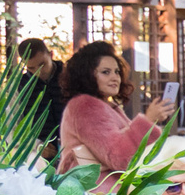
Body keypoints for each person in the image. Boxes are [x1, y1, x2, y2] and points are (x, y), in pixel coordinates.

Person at [59, 40, 174, 174]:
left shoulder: (106, 106)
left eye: (117, 72)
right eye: (106, 72)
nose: (115, 78)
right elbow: (120, 158)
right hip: (95, 191)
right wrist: (148, 121)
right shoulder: (85, 106)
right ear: (86, 75)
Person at [11, 37, 68, 156]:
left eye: (42, 64)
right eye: (31, 68)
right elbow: (13, 127)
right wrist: (36, 145)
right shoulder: (19, 86)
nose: (38, 71)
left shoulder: (71, 77)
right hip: (39, 155)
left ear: (51, 55)